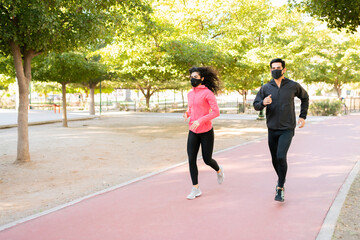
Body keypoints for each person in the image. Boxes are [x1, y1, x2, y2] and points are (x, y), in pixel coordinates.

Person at [253, 58, 309, 202]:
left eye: (278, 67)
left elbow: (305, 97)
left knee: (280, 156)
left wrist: (302, 117)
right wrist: (263, 103)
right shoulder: (266, 88)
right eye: (273, 68)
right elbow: (256, 104)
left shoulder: (292, 85)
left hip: (287, 128)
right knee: (274, 159)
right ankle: (281, 179)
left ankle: (280, 187)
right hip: (272, 128)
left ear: (284, 70)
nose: (275, 70)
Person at [183, 66, 224, 200]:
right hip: (193, 131)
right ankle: (196, 188)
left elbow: (216, 112)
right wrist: (187, 113)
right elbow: (191, 109)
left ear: (202, 78)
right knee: (191, 159)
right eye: (191, 77)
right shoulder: (190, 94)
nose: (192, 79)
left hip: (206, 131)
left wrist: (200, 120)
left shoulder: (207, 93)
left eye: (195, 77)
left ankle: (218, 169)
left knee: (207, 159)